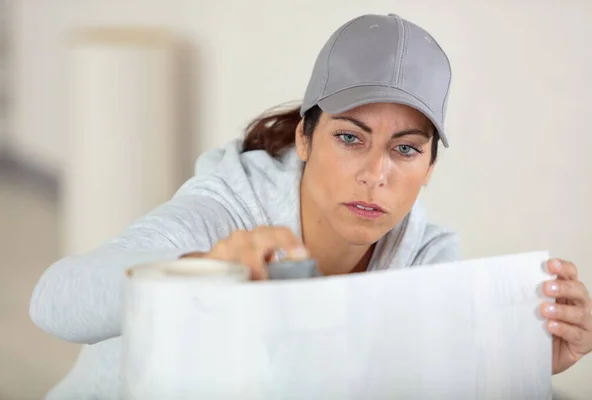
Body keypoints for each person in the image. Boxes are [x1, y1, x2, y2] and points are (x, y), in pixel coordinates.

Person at [30, 13, 591, 400]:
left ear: (429, 167)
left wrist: (525, 365)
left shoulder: (426, 258)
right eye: (351, 137)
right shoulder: (229, 207)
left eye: (405, 149)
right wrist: (201, 269)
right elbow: (54, 301)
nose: (377, 174)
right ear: (305, 137)